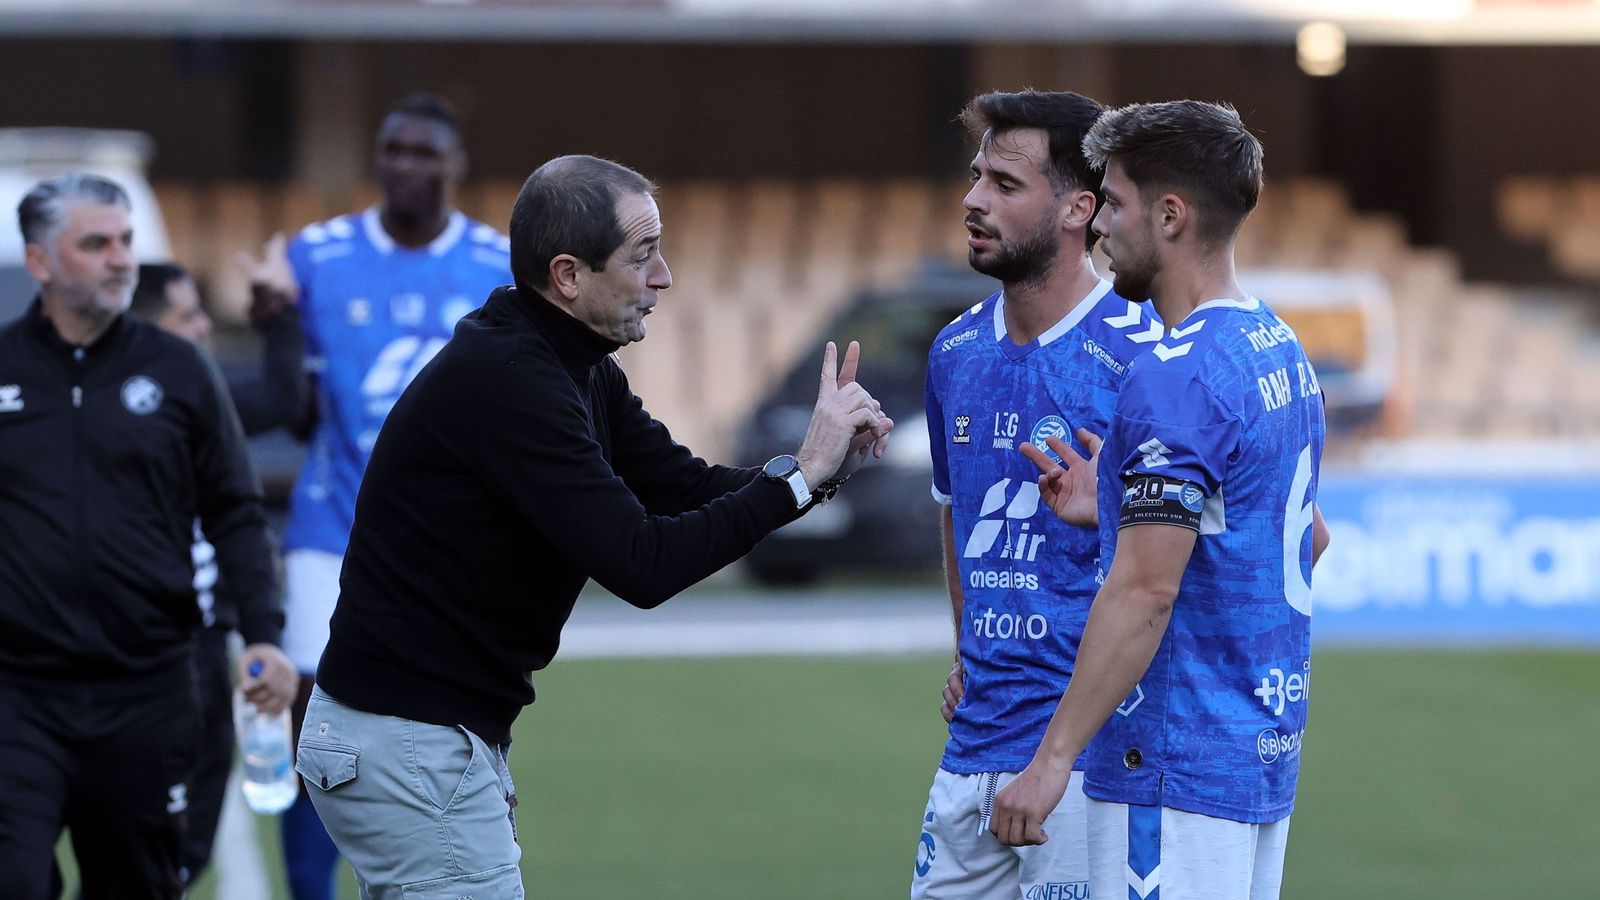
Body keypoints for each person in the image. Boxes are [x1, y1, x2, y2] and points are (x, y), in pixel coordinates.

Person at [294, 154, 893, 898]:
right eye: (643, 255)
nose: (665, 276)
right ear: (569, 275)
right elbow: (642, 562)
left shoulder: (568, 362)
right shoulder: (515, 381)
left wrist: (821, 472)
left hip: (409, 733)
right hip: (410, 740)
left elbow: (684, 488)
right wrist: (799, 476)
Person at [988, 101, 1330, 900]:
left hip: (1171, 767)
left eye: (1112, 202)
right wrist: (1127, 508)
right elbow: (1307, 537)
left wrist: (1050, 762)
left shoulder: (1173, 376)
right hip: (1257, 758)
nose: (1098, 226)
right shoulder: (1276, 345)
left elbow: (1145, 590)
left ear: (1169, 217)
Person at [240, 91, 512, 900]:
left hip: (454, 549)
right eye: (392, 149)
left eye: (424, 151)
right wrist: (272, 319)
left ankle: (444, 872)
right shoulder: (316, 256)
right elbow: (291, 403)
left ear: (455, 165)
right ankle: (309, 887)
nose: (404, 165)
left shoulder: (499, 265)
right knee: (315, 719)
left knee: (451, 723)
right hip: (334, 527)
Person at [0, 173, 296, 900]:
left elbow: (234, 509)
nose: (120, 259)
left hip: (146, 690)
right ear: (40, 262)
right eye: (95, 244)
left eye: (126, 241)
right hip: (18, 695)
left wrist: (262, 635)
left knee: (137, 885)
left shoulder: (179, 370)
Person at [912, 90, 1162, 899]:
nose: (973, 200)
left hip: (1093, 765)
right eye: (976, 176)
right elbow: (956, 514)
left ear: (1077, 209)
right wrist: (967, 646)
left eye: (1006, 184)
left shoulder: (1145, 356)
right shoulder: (954, 351)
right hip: (972, 752)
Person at [129, 261, 308, 887]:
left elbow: (286, 399)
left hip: (204, 648)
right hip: (132, 654)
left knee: (182, 848)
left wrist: (280, 315)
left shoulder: (201, 396)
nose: (206, 326)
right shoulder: (92, 408)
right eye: (188, 316)